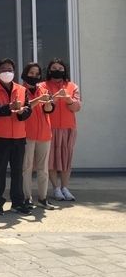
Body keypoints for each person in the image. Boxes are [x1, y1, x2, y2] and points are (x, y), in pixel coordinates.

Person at [0, 59, 32, 215]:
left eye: (10, 69)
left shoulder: (22, 89)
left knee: (17, 171)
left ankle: (17, 202)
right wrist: (9, 107)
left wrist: (21, 112)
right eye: (3, 69)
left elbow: (28, 110)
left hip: (19, 137)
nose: (7, 72)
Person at [45, 58, 82, 201]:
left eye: (60, 69)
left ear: (65, 70)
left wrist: (69, 100)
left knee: (66, 158)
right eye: (54, 68)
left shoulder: (72, 86)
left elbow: (77, 107)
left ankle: (65, 187)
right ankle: (56, 188)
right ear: (49, 70)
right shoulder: (43, 86)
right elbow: (41, 107)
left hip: (68, 127)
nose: (57, 71)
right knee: (51, 159)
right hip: (49, 127)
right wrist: (54, 99)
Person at [20, 62, 55, 210]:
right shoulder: (20, 90)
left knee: (43, 169)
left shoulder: (44, 89)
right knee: (26, 168)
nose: (34, 76)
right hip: (27, 134)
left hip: (44, 134)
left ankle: (43, 198)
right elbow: (24, 108)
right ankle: (27, 198)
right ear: (25, 74)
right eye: (31, 73)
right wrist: (38, 100)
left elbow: (49, 109)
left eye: (37, 74)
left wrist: (48, 103)